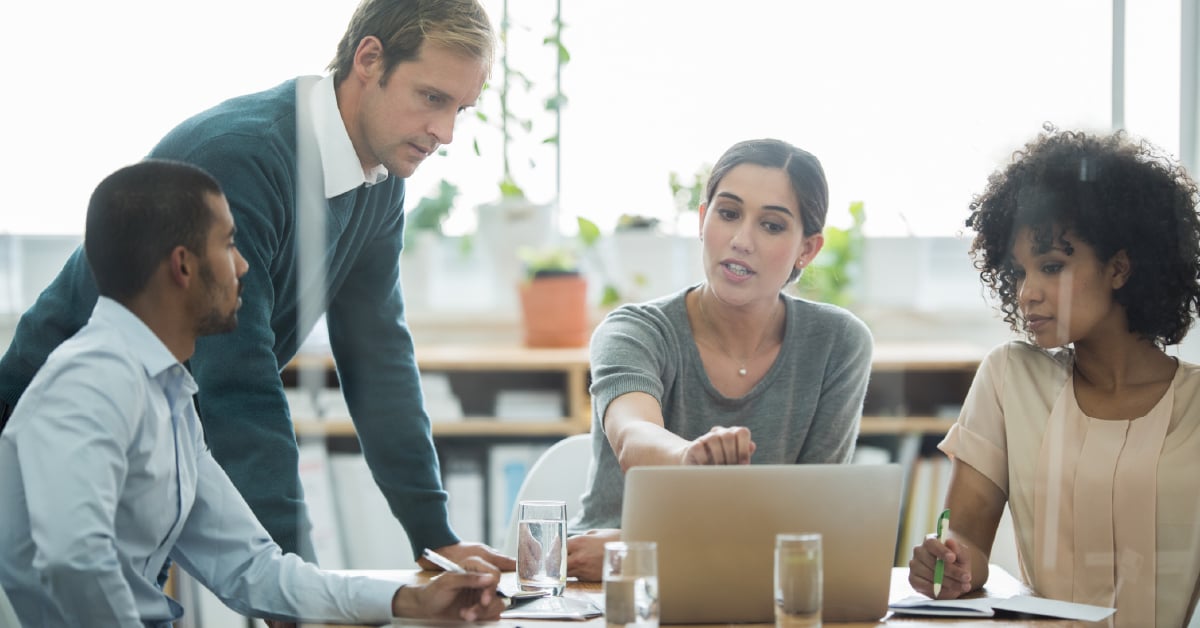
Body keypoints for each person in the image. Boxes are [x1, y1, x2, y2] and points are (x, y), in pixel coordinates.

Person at [0, 0, 513, 572]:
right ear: (370, 59)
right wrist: (298, 584)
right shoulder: (244, 158)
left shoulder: (380, 179)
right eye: (432, 98)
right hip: (54, 443)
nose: (443, 133)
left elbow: (378, 360)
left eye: (460, 109)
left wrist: (434, 538)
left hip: (151, 445)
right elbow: (239, 382)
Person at [0, 160, 507, 627]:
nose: (243, 266)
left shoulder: (164, 391)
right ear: (183, 266)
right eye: (228, 245)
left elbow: (253, 567)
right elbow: (75, 560)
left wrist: (409, 598)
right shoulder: (88, 384)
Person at [907, 129, 1200, 627]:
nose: (1027, 294)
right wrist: (953, 565)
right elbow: (967, 540)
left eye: (1052, 266)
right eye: (1019, 273)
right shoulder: (1009, 378)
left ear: (1120, 268)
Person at [565, 138, 874, 581]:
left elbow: (811, 522)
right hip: (609, 579)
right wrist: (690, 459)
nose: (741, 241)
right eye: (728, 214)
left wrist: (655, 551)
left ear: (807, 249)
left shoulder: (839, 344)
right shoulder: (633, 331)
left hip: (745, 580)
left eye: (771, 225)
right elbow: (634, 438)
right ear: (702, 219)